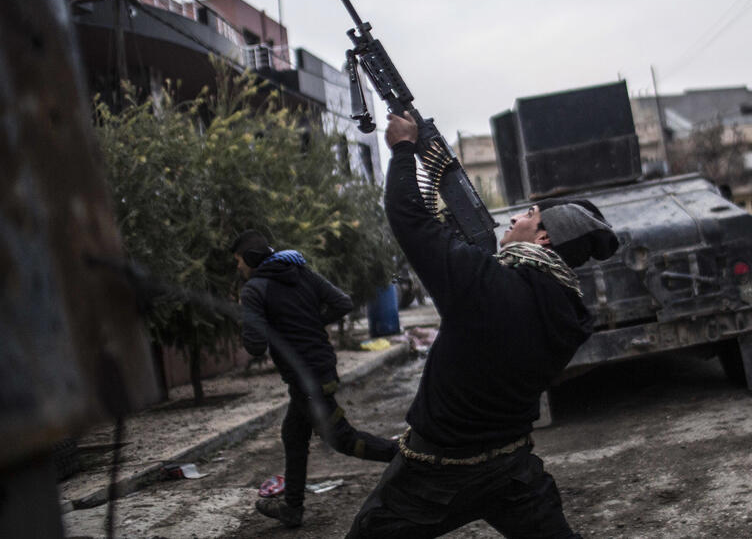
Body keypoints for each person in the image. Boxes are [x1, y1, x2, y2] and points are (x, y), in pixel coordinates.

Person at [347, 112, 619, 538]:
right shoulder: (569, 311)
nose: (514, 220)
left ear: (543, 238)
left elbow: (409, 219)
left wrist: (401, 148)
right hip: (511, 470)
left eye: (527, 215)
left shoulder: (484, 285)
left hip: (431, 477)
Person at [230, 230, 398, 528]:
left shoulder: (254, 290)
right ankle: (292, 509)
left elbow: (255, 346)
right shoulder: (300, 271)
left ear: (253, 260)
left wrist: (251, 317)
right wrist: (310, 323)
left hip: (307, 378)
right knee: (293, 433)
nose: (238, 269)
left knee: (343, 440)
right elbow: (342, 302)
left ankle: (408, 457)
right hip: (319, 368)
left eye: (239, 262)